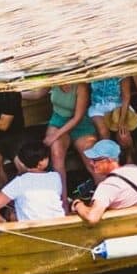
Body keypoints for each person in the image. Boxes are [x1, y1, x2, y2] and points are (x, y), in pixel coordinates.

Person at [24, 84, 98, 212]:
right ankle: (62, 203)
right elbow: (37, 94)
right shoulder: (54, 79)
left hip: (79, 123)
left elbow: (77, 117)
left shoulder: (81, 87)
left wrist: (55, 136)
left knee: (91, 159)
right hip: (59, 121)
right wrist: (14, 94)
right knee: (56, 154)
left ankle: (103, 199)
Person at [71, 139, 137, 224]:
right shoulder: (134, 169)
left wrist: (77, 204)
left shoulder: (107, 186)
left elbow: (92, 218)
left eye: (95, 160)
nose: (91, 163)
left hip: (123, 233)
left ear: (109, 160)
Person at [0, 140, 65, 223]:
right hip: (58, 224)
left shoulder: (19, 182)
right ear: (40, 163)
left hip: (30, 231)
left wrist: (7, 225)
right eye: (46, 157)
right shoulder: (55, 177)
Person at [89, 77, 137, 158]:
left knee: (123, 136)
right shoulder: (92, 70)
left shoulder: (120, 71)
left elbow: (126, 96)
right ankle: (110, 161)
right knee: (103, 133)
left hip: (119, 106)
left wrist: (122, 120)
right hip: (98, 107)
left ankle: (129, 157)